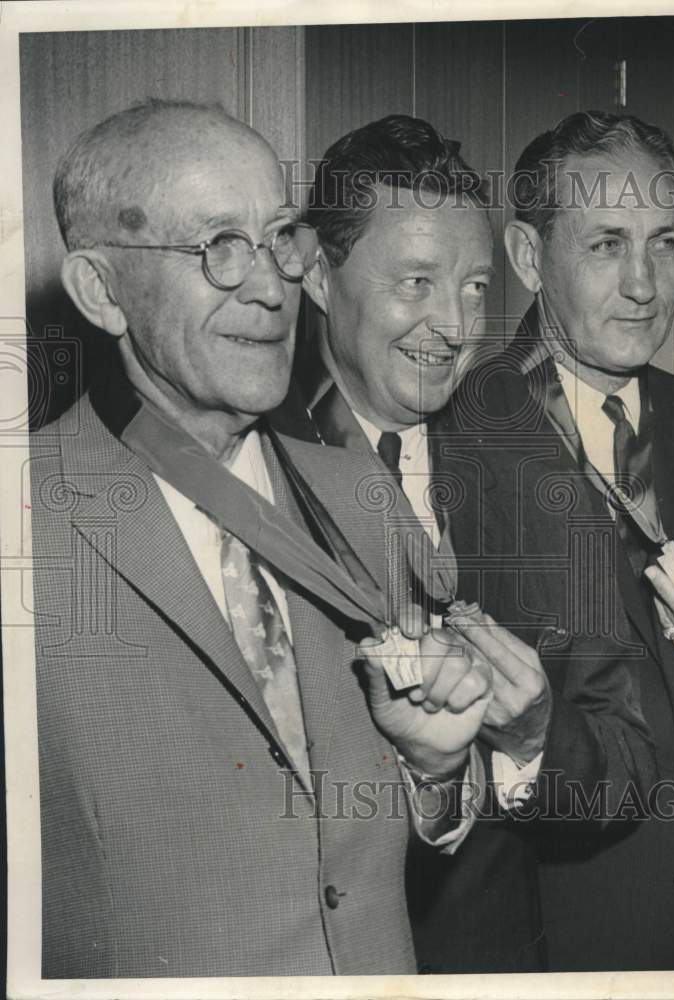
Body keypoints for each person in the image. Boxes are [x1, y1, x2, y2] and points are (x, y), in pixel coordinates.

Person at [30, 98, 499, 978]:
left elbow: (374, 845)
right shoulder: (25, 521)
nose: (271, 285)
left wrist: (438, 772)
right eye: (218, 246)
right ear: (100, 290)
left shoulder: (361, 497)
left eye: (280, 237)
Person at [274, 113, 659, 972]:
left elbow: (629, 755)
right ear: (316, 273)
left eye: (478, 288)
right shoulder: (244, 459)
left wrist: (530, 741)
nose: (453, 326)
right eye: (416, 281)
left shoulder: (523, 449)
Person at [456, 109, 674, 970]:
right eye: (606, 244)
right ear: (528, 258)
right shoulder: (454, 431)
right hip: (550, 946)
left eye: (664, 242)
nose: (645, 283)